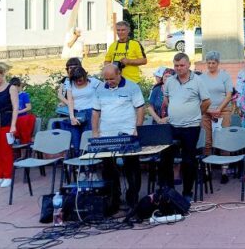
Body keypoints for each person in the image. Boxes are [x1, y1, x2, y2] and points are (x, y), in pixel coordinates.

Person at [92, 63, 146, 208]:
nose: (109, 82)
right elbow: (96, 112)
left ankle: (132, 198)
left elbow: (140, 108)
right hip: (106, 135)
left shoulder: (132, 87)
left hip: (128, 133)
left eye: (111, 78)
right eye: (106, 79)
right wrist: (95, 132)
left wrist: (137, 128)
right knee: (108, 168)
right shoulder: (99, 89)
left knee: (131, 166)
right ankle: (113, 198)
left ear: (119, 74)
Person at [159, 53, 212, 198]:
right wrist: (175, 110)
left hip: (191, 127)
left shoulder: (197, 81)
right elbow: (167, 98)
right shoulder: (170, 81)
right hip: (173, 126)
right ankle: (169, 191)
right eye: (176, 66)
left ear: (188, 64)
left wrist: (196, 113)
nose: (179, 68)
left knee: (188, 160)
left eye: (182, 65)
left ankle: (187, 192)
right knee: (165, 159)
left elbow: (207, 101)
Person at [203, 51, 235, 163]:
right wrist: (208, 110)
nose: (211, 65)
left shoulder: (225, 76)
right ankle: (208, 170)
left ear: (218, 63)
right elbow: (199, 96)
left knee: (223, 140)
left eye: (213, 63)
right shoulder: (202, 77)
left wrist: (219, 109)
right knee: (207, 141)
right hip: (207, 113)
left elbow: (229, 95)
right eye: (209, 63)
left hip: (223, 112)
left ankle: (224, 169)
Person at [62, 66, 100, 154]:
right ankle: (78, 162)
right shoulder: (70, 83)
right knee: (76, 140)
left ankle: (91, 163)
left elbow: (105, 90)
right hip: (76, 113)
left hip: (90, 111)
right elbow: (70, 100)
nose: (78, 82)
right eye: (75, 80)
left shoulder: (93, 81)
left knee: (88, 139)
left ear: (85, 76)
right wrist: (72, 117)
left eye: (80, 79)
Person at [10, 78, 35, 146]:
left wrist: (18, 112)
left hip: (22, 117)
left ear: (19, 86)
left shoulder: (24, 95)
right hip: (14, 118)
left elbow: (29, 107)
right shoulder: (11, 95)